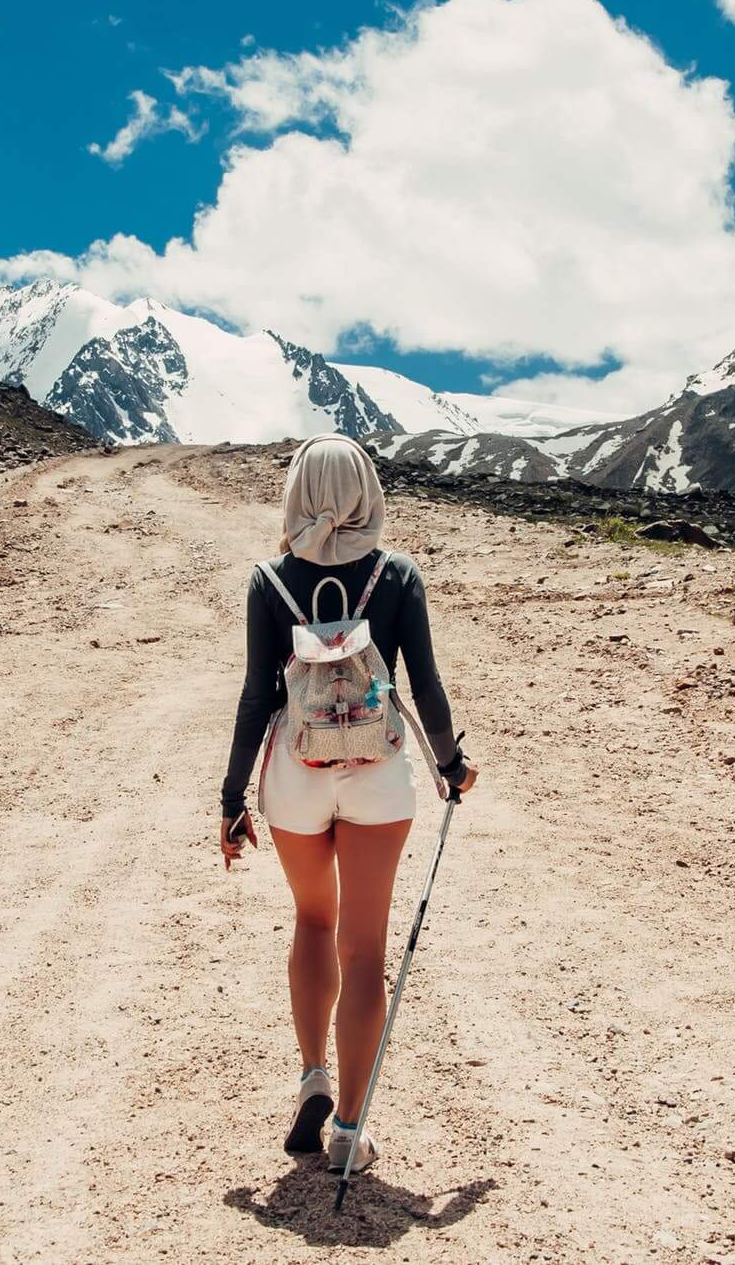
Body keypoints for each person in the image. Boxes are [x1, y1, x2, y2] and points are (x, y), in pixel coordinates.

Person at [219, 434, 475, 1175]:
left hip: (296, 773)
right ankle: (350, 1131)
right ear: (369, 494)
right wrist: (451, 765)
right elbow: (422, 686)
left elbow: (254, 695)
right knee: (365, 949)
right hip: (377, 773)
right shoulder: (397, 576)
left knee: (312, 919)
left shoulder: (269, 580)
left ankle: (312, 1077)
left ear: (296, 493)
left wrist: (231, 797)